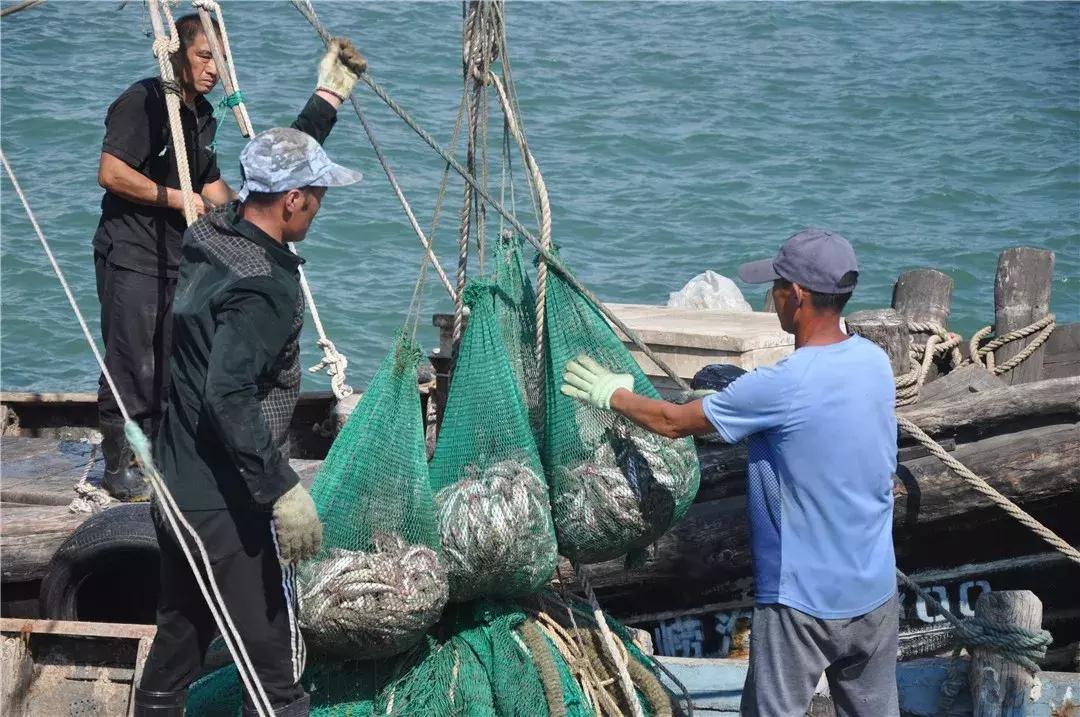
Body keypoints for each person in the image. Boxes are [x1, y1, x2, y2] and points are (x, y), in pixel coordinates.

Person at [561, 229, 900, 717]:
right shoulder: (874, 361)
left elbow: (672, 422)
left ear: (798, 297)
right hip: (875, 591)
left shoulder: (783, 384)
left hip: (801, 602)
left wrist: (613, 394)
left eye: (777, 288)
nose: (773, 299)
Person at [131, 57, 365, 717]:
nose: (318, 207)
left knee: (178, 641)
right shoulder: (265, 284)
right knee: (276, 678)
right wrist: (282, 490)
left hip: (174, 489)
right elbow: (226, 393)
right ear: (294, 201)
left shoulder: (215, 231)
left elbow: (276, 160)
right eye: (316, 196)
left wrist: (326, 100)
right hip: (225, 505)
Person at [92, 13, 362, 500]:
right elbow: (111, 172)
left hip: (178, 250)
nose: (213, 69)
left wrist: (253, 206)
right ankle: (120, 462)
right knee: (133, 355)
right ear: (175, 51)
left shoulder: (201, 115)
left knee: (172, 352)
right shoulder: (144, 102)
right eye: (202, 56)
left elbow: (211, 183)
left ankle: (161, 449)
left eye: (219, 59)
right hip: (131, 250)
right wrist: (178, 199)